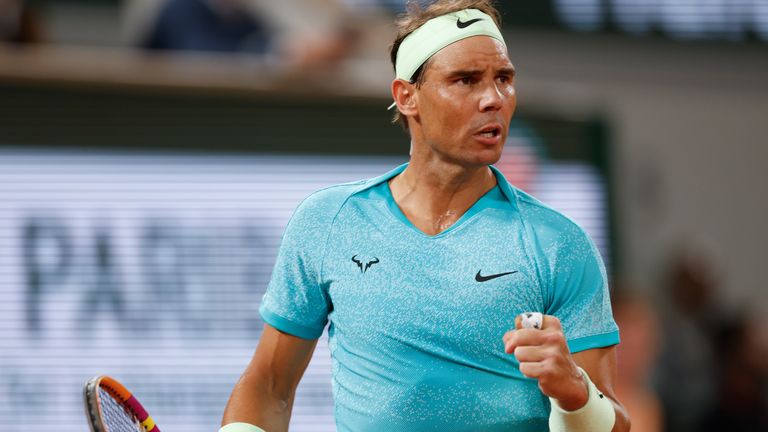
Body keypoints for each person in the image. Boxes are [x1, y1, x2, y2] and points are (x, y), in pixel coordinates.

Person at [220, 1, 629, 431]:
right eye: (465, 80)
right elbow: (268, 385)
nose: (493, 99)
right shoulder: (328, 221)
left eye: (503, 79)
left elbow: (616, 424)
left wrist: (575, 392)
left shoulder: (559, 244)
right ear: (407, 96)